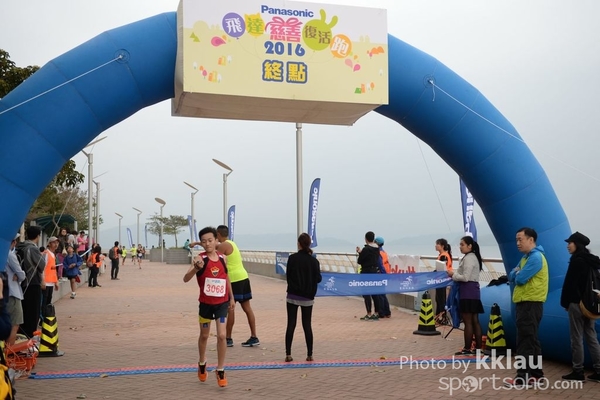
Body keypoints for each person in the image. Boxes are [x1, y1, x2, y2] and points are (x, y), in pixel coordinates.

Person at [183, 226, 235, 388]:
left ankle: (220, 369)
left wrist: (231, 298)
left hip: (221, 304)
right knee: (204, 336)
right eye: (204, 241)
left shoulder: (222, 258)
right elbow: (186, 278)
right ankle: (202, 362)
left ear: (216, 240)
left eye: (210, 240)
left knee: (222, 335)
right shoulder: (200, 259)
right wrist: (196, 269)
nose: (207, 244)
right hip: (206, 305)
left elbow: (226, 278)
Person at [506, 227, 548, 387]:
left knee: (525, 341)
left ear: (531, 240)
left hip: (530, 303)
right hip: (526, 303)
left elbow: (519, 278)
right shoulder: (526, 257)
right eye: (516, 240)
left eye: (520, 239)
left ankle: (522, 377)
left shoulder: (535, 258)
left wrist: (518, 273)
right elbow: (512, 274)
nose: (517, 243)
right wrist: (517, 273)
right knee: (532, 340)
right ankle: (537, 375)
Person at [560, 232, 600, 382]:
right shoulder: (592, 261)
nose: (567, 246)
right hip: (590, 305)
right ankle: (599, 370)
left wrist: (565, 303)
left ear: (577, 244)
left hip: (576, 304)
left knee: (576, 338)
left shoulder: (577, 261)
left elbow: (569, 284)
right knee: (591, 336)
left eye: (570, 243)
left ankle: (578, 371)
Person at [214, 225, 259, 348]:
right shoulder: (231, 243)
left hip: (234, 280)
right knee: (247, 308)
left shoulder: (223, 245)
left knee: (230, 308)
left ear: (218, 234)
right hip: (243, 277)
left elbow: (214, 257)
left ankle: (228, 338)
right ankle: (254, 336)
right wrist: (198, 243)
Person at [285, 233, 322, 362]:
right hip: (307, 296)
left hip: (292, 295)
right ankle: (309, 354)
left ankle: (288, 354)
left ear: (299, 244)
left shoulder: (292, 258)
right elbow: (318, 278)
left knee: (291, 324)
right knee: (307, 324)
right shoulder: (314, 261)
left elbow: (288, 275)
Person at [448, 236, 484, 355]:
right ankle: (478, 348)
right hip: (474, 291)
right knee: (475, 321)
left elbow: (465, 277)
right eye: (460, 244)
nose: (460, 247)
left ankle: (467, 348)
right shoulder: (474, 257)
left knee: (468, 321)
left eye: (462, 244)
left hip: (467, 291)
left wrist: (453, 275)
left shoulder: (469, 258)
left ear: (470, 246)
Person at [16, 225, 46, 338]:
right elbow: (41, 265)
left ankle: (22, 336)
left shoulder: (20, 247)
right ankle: (29, 337)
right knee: (33, 312)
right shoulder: (32, 248)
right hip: (32, 282)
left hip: (21, 283)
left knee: (25, 310)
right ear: (38, 236)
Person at [356, 231, 382, 321]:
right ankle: (376, 313)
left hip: (366, 272)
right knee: (375, 293)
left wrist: (360, 253)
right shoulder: (377, 248)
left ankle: (369, 313)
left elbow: (360, 261)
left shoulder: (366, 249)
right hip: (374, 271)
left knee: (366, 293)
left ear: (366, 239)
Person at [5, 233, 26, 346]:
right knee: (14, 323)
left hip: (4, 292)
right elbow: (21, 274)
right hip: (12, 293)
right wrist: (19, 275)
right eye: (15, 241)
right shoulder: (10, 255)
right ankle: (9, 351)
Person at [41, 236, 60, 319]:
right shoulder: (46, 253)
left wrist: (56, 281)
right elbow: (42, 268)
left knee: (48, 301)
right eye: (54, 242)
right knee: (44, 302)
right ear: (49, 243)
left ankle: (46, 318)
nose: (56, 244)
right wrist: (42, 281)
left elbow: (53, 269)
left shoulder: (53, 254)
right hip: (45, 282)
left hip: (51, 282)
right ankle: (43, 318)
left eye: (57, 243)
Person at [374, 236, 391, 318]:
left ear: (377, 243)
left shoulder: (378, 253)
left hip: (381, 274)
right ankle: (387, 312)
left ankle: (382, 312)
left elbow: (380, 265)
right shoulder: (384, 252)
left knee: (380, 294)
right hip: (385, 273)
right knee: (382, 294)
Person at [435, 238, 453, 315]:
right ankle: (439, 316)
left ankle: (441, 316)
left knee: (440, 299)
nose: (435, 246)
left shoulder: (444, 256)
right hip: (441, 279)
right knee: (438, 299)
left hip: (442, 280)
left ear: (442, 246)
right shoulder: (442, 255)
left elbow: (442, 269)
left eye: (437, 244)